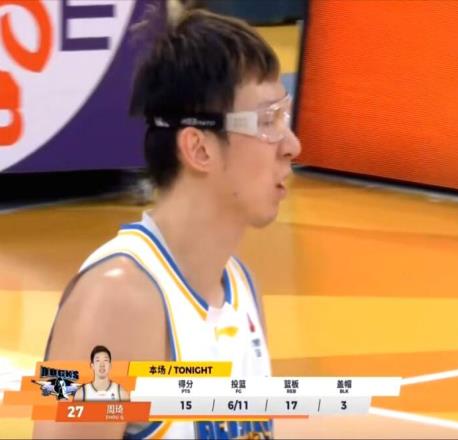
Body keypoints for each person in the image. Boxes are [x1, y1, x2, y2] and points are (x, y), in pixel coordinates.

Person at [34, 1, 300, 438]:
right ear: (198, 148)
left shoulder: (242, 288)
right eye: (267, 121)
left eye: (284, 117)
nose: (292, 145)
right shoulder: (108, 301)